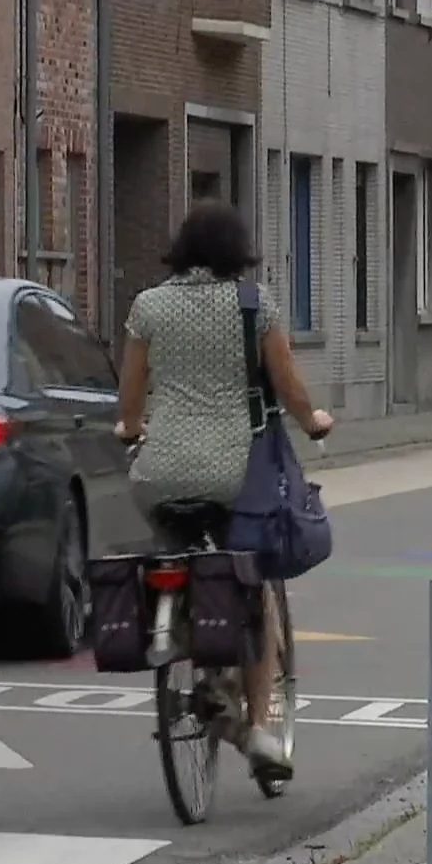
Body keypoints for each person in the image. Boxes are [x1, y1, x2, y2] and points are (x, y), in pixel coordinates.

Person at [112, 200, 335, 777]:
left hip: (160, 472)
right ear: (240, 252)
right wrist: (314, 422)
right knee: (255, 584)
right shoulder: (255, 307)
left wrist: (133, 432)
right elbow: (288, 387)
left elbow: (131, 402)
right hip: (238, 474)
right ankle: (259, 729)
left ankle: (183, 640)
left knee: (176, 555)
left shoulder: (148, 307)